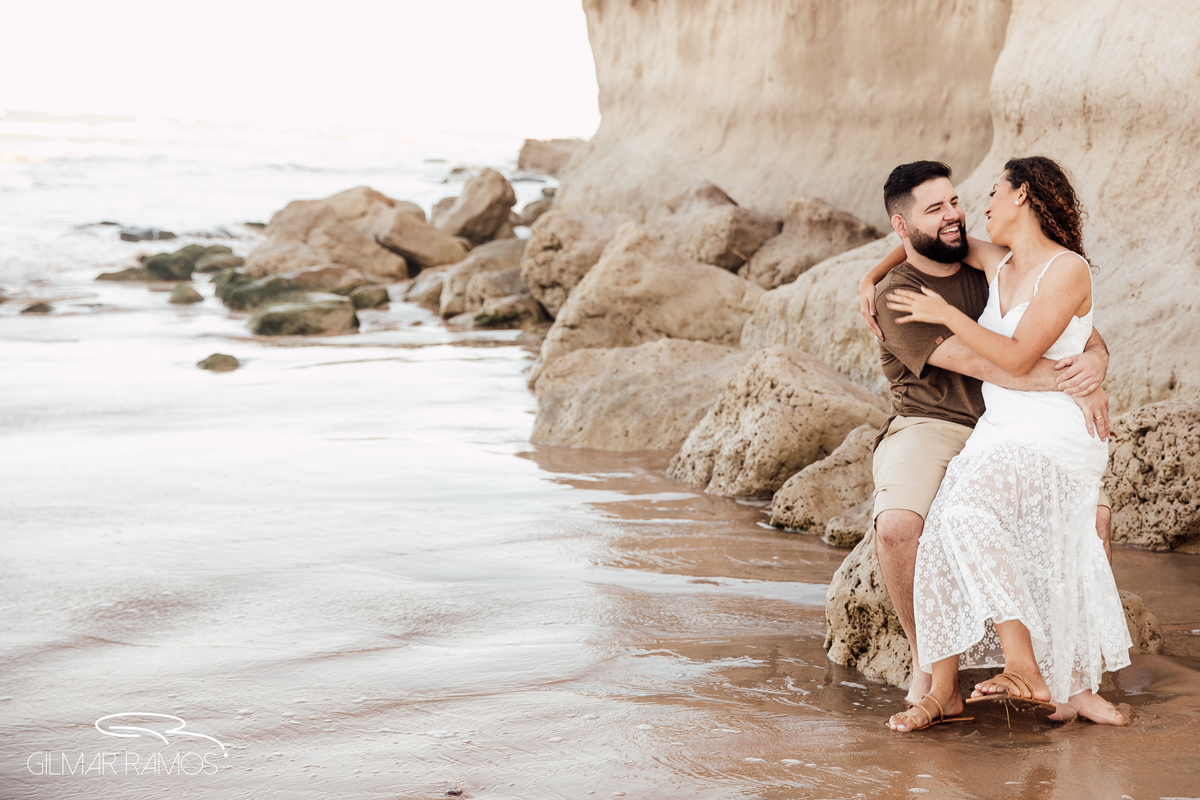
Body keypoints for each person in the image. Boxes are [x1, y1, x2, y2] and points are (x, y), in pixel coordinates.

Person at [856, 160, 1115, 731]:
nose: (957, 215)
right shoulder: (905, 294)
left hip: (1013, 420)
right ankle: (933, 676)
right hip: (934, 422)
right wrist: (874, 275)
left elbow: (1080, 329)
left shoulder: (988, 258)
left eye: (958, 202)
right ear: (903, 227)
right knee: (908, 526)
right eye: (937, 209)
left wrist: (1093, 366)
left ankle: (1072, 679)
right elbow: (995, 363)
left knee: (1090, 518)